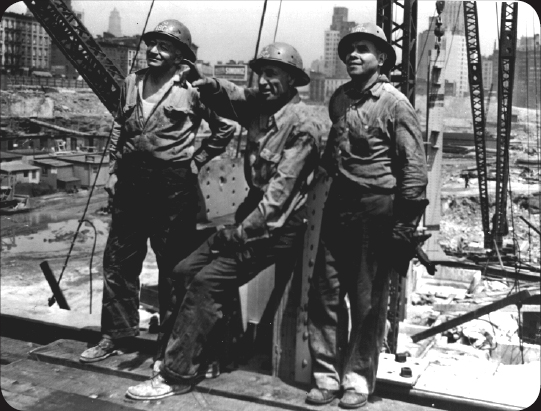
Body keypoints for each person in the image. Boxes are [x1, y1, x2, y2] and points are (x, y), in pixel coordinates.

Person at [125, 42, 323, 400]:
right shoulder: (261, 107)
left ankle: (177, 375)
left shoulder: (303, 126)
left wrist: (233, 235)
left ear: (293, 79)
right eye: (261, 73)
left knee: (207, 282)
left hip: (276, 226)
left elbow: (277, 202)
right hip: (252, 213)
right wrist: (204, 80)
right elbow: (230, 94)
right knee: (183, 271)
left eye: (273, 74)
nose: (264, 81)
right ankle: (214, 354)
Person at [79, 20, 235, 364]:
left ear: (180, 54)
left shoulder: (193, 88)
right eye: (152, 44)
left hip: (172, 184)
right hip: (132, 182)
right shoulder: (131, 82)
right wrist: (114, 169)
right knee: (118, 261)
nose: (154, 51)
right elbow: (120, 124)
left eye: (164, 46)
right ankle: (115, 336)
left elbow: (225, 127)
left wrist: (197, 160)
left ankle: (169, 345)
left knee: (172, 266)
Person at [306, 23, 428, 409]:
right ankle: (325, 378)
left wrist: (405, 225)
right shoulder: (340, 99)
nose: (353, 56)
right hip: (338, 205)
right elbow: (332, 154)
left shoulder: (395, 103)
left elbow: (414, 170)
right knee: (323, 296)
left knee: (366, 302)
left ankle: (357, 380)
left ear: (381, 59)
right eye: (350, 50)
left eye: (363, 49)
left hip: (376, 208)